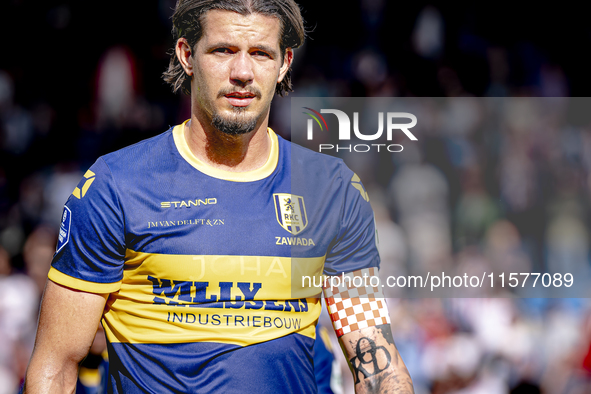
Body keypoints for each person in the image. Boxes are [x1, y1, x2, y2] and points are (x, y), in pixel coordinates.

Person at [24, 0, 414, 393]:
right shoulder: (115, 185)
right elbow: (56, 366)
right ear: (187, 55)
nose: (242, 72)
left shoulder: (334, 190)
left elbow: (378, 367)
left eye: (261, 53)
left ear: (284, 64)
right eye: (223, 50)